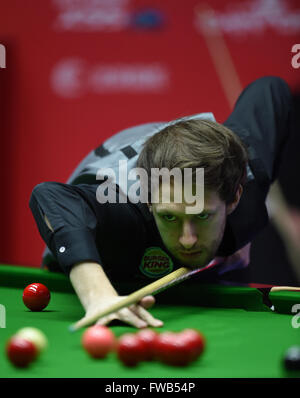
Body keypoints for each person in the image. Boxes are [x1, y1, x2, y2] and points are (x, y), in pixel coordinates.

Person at [29, 76, 296, 329]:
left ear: (234, 197)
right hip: (105, 258)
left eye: (202, 216)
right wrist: (97, 294)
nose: (188, 239)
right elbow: (48, 195)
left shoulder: (248, 175)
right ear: (149, 201)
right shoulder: (122, 209)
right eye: (170, 217)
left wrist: (231, 236)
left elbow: (270, 89)